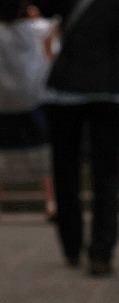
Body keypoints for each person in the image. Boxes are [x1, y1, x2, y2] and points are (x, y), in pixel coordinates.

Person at [34, 0, 119, 276]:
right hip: (110, 87)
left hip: (65, 88)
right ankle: (101, 251)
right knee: (107, 174)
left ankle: (71, 243)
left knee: (65, 169)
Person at [0, 0, 57, 222]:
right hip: (33, 97)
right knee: (43, 151)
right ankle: (51, 201)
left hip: (3, 100)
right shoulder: (37, 29)